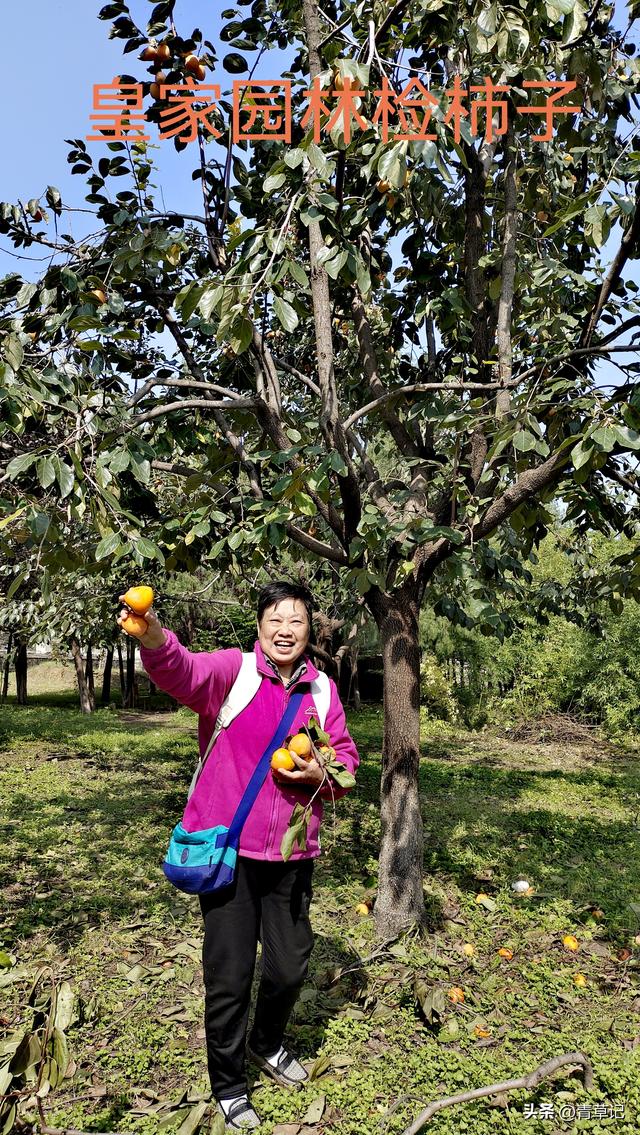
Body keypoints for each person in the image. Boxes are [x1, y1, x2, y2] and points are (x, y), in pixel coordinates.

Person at [117, 582, 359, 1132]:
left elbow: (345, 761)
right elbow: (181, 671)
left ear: (308, 629)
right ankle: (228, 1084)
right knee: (229, 974)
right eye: (274, 618)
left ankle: (267, 1041)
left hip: (291, 853)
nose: (284, 629)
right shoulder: (236, 672)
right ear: (259, 625)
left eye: (295, 619)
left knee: (291, 964)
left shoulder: (322, 693)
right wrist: (152, 632)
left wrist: (324, 774)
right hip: (229, 852)